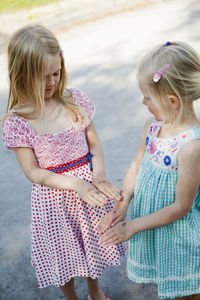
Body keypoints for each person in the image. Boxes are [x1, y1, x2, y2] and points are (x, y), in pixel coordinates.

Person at [1, 25, 126, 300]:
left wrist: (100, 174)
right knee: (63, 255)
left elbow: (94, 143)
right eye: (42, 77)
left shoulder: (74, 100)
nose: (51, 82)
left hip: (88, 192)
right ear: (22, 74)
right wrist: (75, 184)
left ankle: (95, 291)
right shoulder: (18, 121)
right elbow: (34, 172)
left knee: (92, 246)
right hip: (54, 200)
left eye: (56, 73)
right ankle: (72, 297)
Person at [99, 41, 200, 300]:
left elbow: (181, 207)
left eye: (147, 97)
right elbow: (136, 165)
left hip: (180, 237)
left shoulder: (192, 147)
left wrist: (133, 226)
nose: (143, 101)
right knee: (167, 283)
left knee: (186, 291)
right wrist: (122, 207)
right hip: (156, 228)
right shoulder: (152, 126)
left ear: (172, 100)